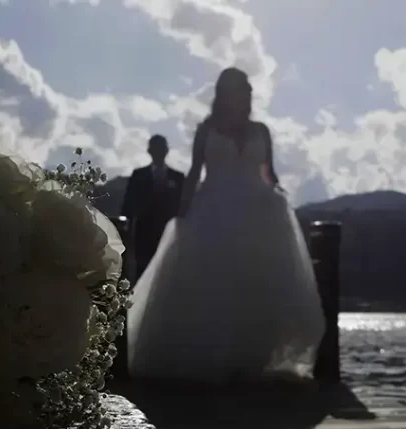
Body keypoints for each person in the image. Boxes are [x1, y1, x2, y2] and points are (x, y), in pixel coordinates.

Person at [126, 67, 325, 383]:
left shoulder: (261, 129)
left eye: (248, 88)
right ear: (226, 92)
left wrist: (283, 201)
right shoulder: (207, 130)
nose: (247, 92)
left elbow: (268, 172)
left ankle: (252, 359)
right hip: (214, 207)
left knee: (259, 283)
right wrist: (183, 212)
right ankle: (213, 359)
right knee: (214, 282)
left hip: (259, 210)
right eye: (241, 87)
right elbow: (194, 173)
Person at [121, 135, 185, 281]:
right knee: (142, 273)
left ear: (166, 150)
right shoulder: (138, 175)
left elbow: (183, 207)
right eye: (155, 148)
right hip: (144, 233)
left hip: (169, 234)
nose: (158, 151)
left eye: (161, 148)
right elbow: (128, 205)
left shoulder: (178, 177)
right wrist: (126, 231)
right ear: (150, 151)